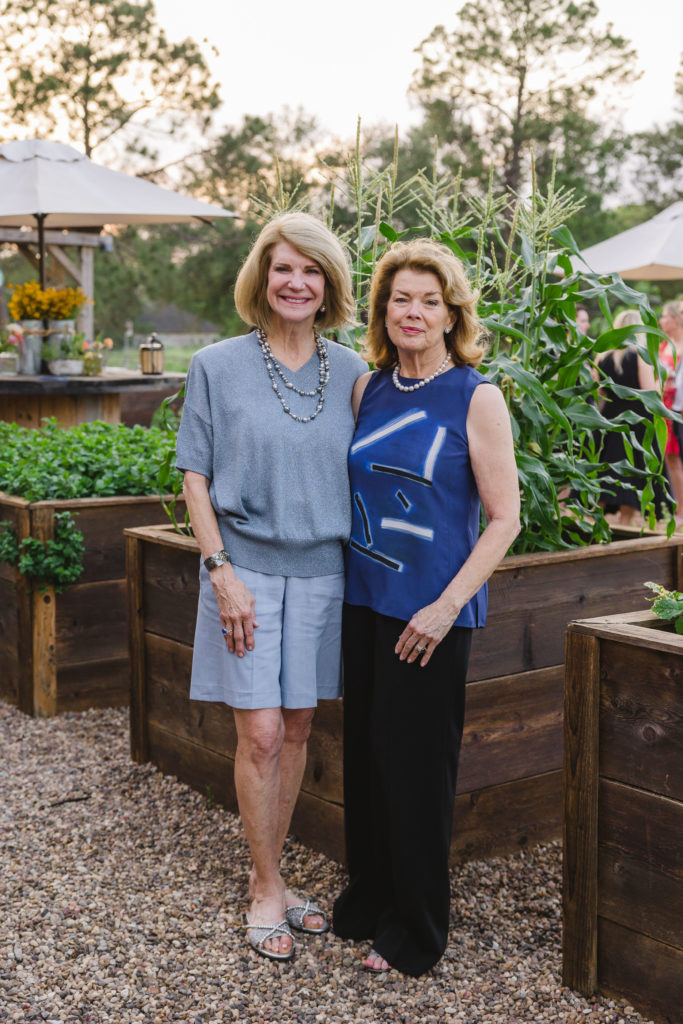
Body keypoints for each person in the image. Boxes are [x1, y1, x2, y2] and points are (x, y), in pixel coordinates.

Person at [175, 212, 366, 962]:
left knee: (295, 730)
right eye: (283, 268)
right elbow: (194, 476)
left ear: (329, 286)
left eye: (311, 270)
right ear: (262, 277)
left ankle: (277, 878)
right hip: (244, 572)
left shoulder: (353, 372)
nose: (296, 282)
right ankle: (264, 886)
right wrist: (220, 571)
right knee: (257, 733)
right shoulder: (216, 366)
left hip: (324, 570)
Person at [332, 239, 521, 976]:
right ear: (383, 310)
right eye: (399, 298)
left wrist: (445, 606)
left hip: (431, 616)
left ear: (451, 314)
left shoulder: (475, 396)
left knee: (416, 772)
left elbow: (503, 518)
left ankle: (417, 927)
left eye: (428, 301)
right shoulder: (367, 390)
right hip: (365, 601)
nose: (412, 312)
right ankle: (373, 897)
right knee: (367, 762)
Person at [595, 310, 661, 525]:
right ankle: (623, 526)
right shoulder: (641, 354)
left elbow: (599, 389)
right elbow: (649, 391)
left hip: (610, 417)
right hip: (636, 420)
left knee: (607, 471)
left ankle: (596, 522)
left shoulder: (604, 355)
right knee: (631, 473)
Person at [658, 301, 683, 522]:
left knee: (675, 459)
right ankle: (677, 508)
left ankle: (682, 511)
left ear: (675, 319)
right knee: (668, 458)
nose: (661, 321)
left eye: (665, 317)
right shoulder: (663, 346)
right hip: (663, 406)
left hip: (678, 408)